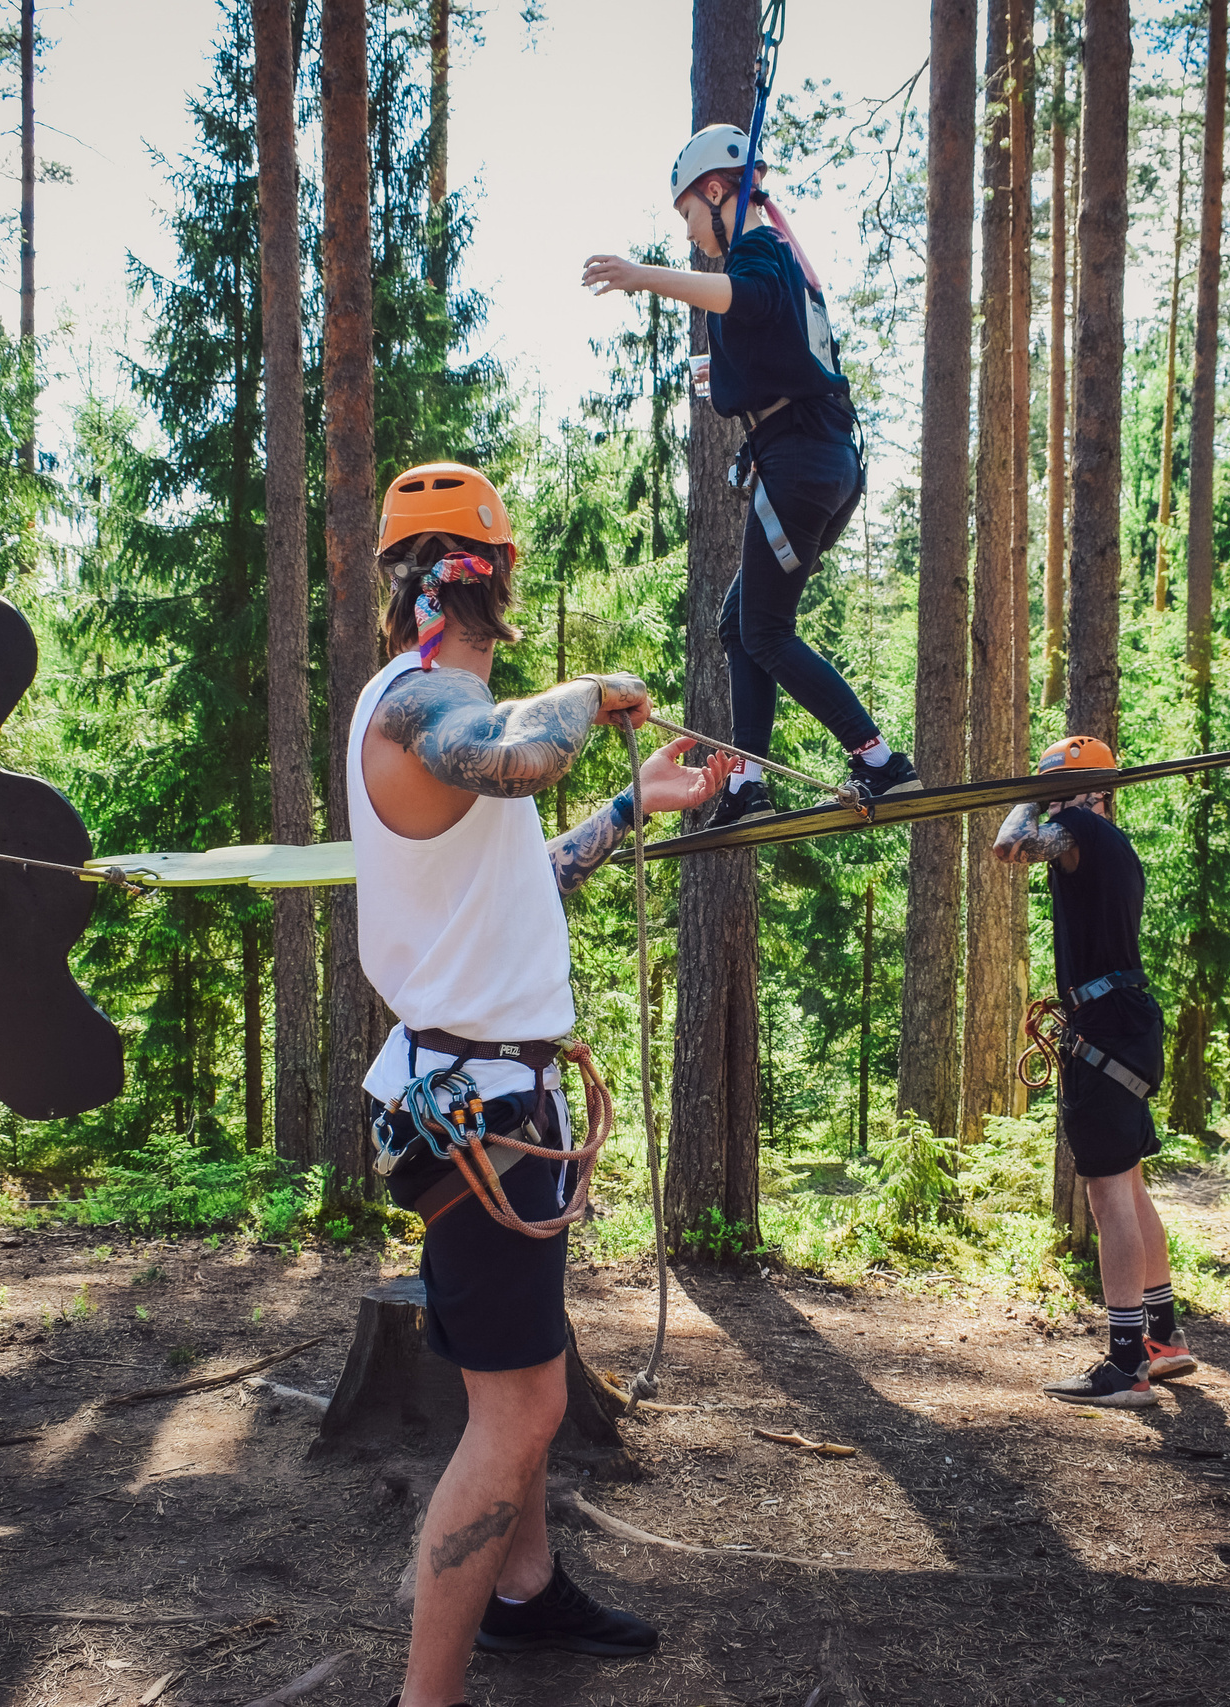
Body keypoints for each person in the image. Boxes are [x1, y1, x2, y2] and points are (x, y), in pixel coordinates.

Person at [353, 463, 732, 1707]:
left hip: (479, 1102)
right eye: (504, 569)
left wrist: (635, 802)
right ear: (486, 577)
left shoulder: (443, 717)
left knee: (518, 1385)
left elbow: (528, 864)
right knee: (516, 1417)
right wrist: (592, 691)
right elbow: (515, 759)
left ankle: (525, 1598)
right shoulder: (420, 709)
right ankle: (428, 1695)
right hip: (480, 1117)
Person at [581, 124, 916, 831]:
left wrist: (642, 277)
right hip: (816, 463)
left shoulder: (761, 248)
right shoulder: (784, 257)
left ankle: (880, 760)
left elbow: (748, 297)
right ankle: (749, 783)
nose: (691, 232)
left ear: (713, 191)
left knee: (763, 629)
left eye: (689, 216)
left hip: (798, 465)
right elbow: (774, 334)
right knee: (742, 624)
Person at [992, 736, 1198, 1408]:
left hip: (1105, 1027)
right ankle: (1162, 1340)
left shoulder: (1077, 825)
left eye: (1055, 786)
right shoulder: (1117, 841)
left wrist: (1025, 793)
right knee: (1130, 1188)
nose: (1048, 798)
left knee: (1108, 1198)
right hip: (1125, 1022)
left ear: (1082, 789)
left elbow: (1009, 846)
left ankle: (1124, 1363)